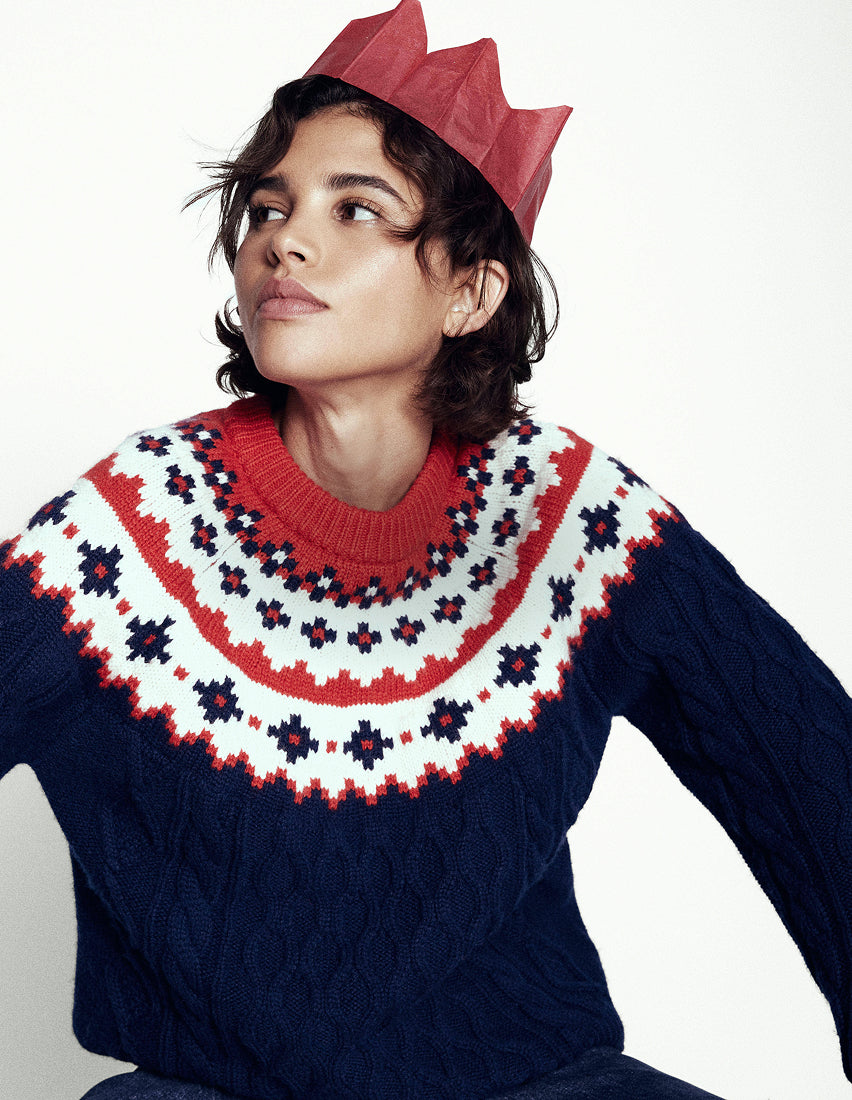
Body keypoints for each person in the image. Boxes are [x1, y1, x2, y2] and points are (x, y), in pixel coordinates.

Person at [1, 2, 849, 1098]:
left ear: (470, 289)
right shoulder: (131, 529)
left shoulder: (570, 516)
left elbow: (811, 775)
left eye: (358, 208)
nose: (284, 239)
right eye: (270, 204)